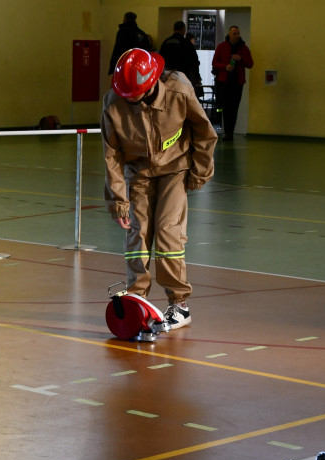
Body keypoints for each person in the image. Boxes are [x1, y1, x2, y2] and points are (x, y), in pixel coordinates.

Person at [101, 48, 217, 329]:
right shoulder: (113, 103)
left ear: (151, 82)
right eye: (125, 94)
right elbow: (112, 155)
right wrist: (118, 201)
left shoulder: (179, 90)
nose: (128, 98)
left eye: (134, 94)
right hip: (138, 173)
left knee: (167, 232)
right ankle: (137, 299)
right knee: (137, 234)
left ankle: (179, 305)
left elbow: (205, 132)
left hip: (175, 170)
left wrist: (200, 172)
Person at [211, 25, 253, 141]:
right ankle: (226, 131)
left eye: (238, 33)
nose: (237, 36)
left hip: (237, 83)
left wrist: (241, 59)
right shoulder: (222, 47)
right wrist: (225, 67)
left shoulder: (243, 48)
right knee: (225, 107)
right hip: (224, 82)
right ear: (229, 34)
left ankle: (230, 132)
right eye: (234, 33)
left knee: (234, 108)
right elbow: (214, 63)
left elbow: (250, 64)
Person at [159, 20, 202, 98]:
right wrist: (197, 76)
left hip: (168, 78)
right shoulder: (186, 43)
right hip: (183, 78)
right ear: (183, 29)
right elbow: (194, 61)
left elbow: (160, 60)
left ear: (174, 29)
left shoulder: (166, 42)